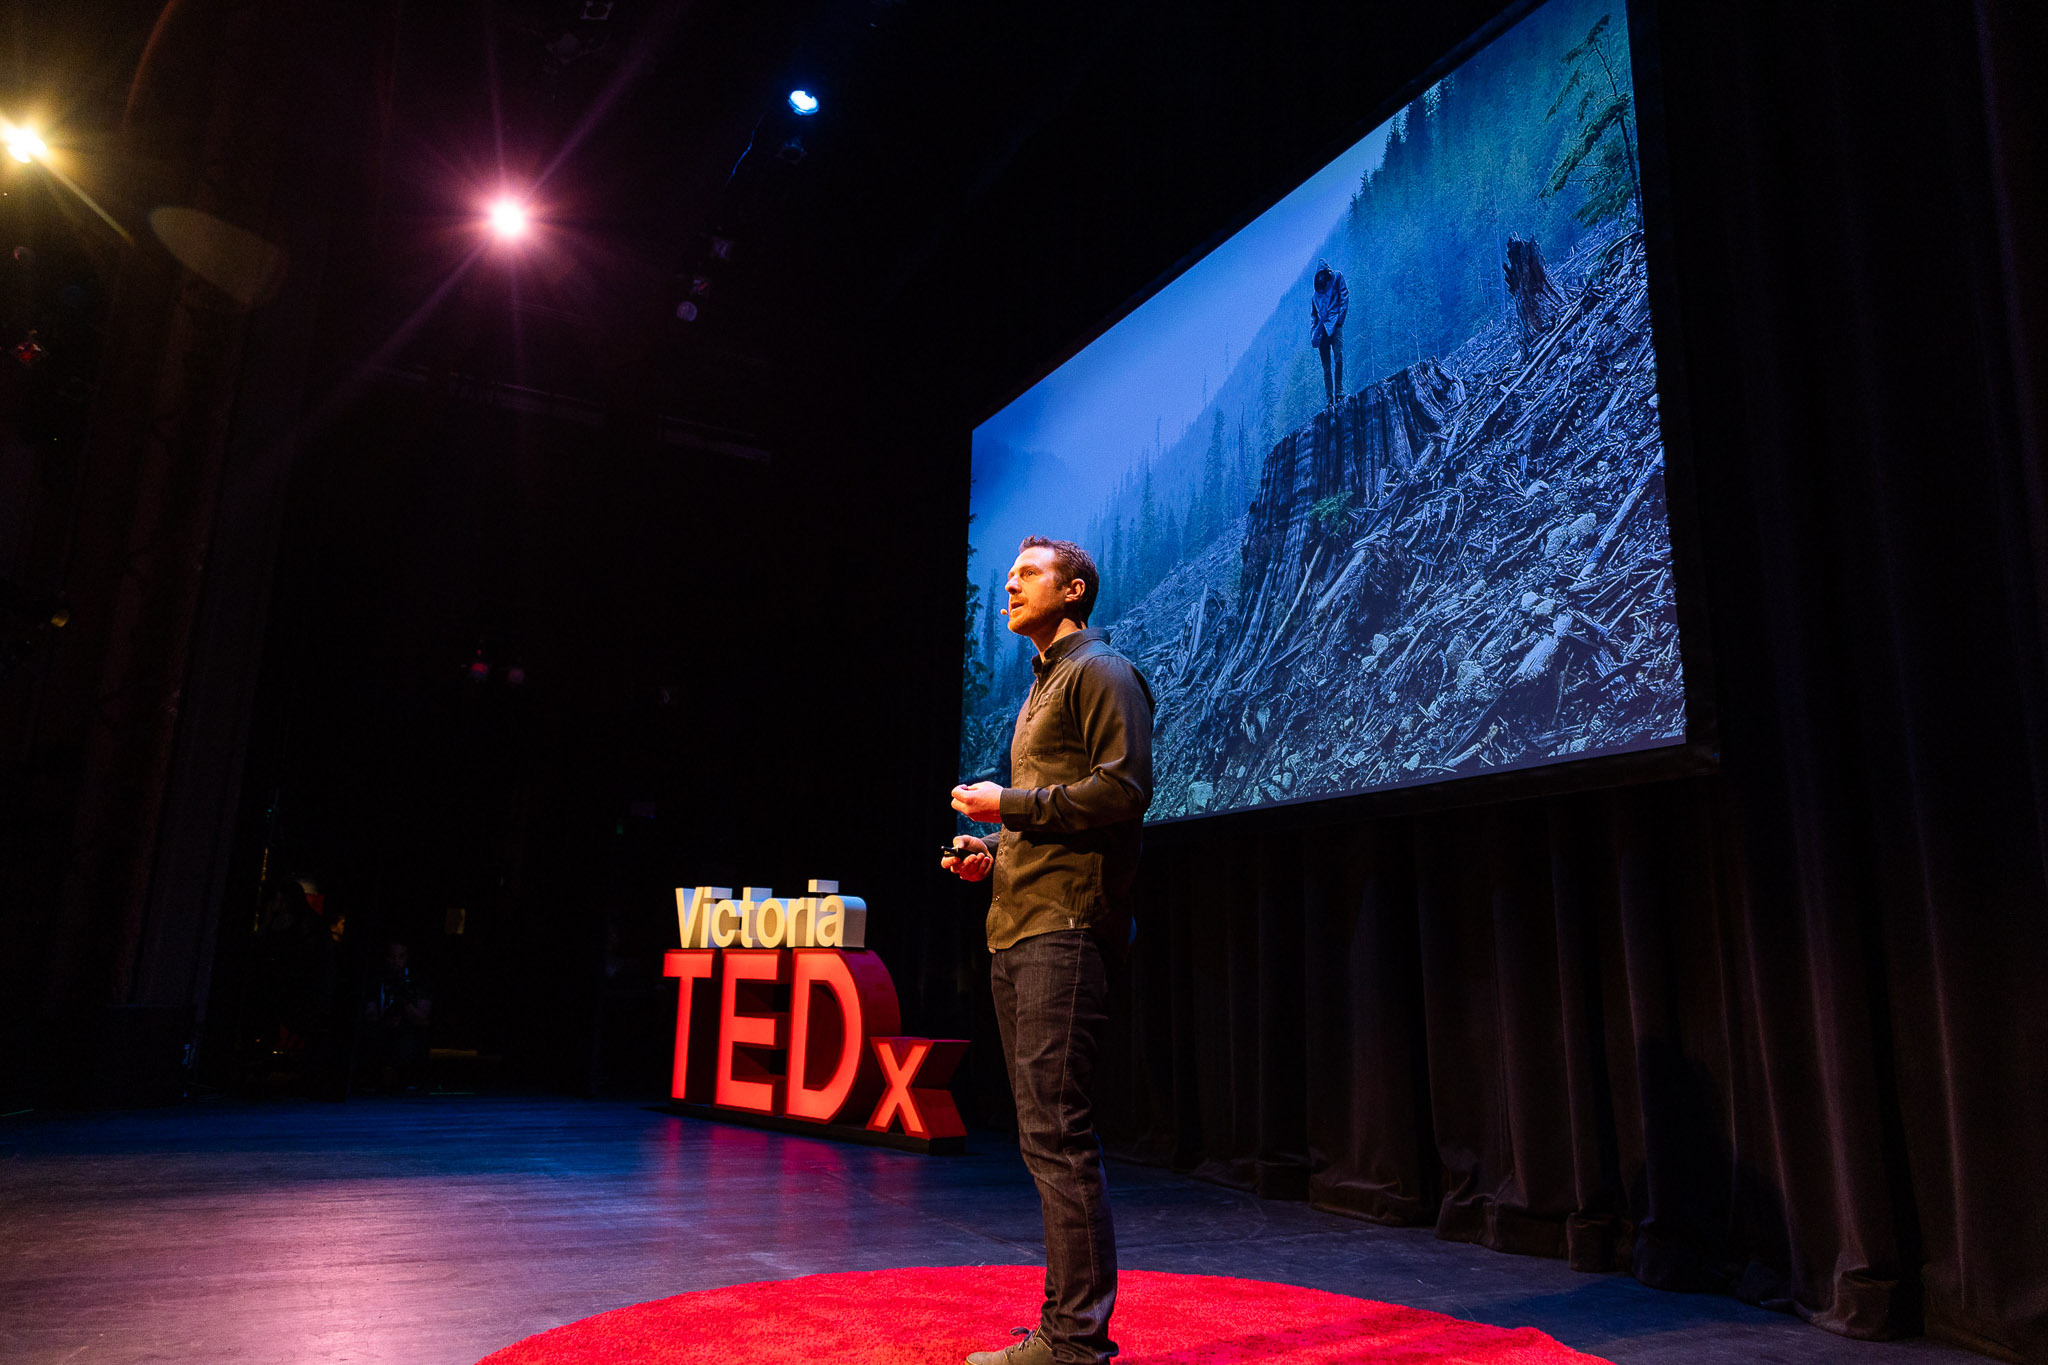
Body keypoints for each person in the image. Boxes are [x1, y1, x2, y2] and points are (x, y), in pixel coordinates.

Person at [945, 536, 1155, 1365]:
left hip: (1065, 929)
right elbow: (1053, 819)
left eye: (1027, 573)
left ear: (1073, 591)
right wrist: (989, 852)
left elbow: (1123, 789)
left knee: (1058, 1137)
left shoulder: (1102, 672)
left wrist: (1010, 804)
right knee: (1042, 1136)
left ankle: (1073, 1342)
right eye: (1010, 573)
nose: (1009, 582)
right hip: (1023, 921)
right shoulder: (1042, 685)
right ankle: (1065, 1329)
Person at [1310, 258, 1349, 406]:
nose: (1321, 278)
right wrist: (1313, 333)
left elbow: (1344, 296)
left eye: (1322, 274)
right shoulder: (1315, 296)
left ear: (1326, 272)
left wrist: (1340, 319)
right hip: (1321, 333)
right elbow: (1313, 316)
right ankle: (1329, 399)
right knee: (1326, 367)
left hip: (1335, 325)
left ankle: (1339, 393)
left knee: (1339, 359)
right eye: (1318, 276)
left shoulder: (1337, 277)